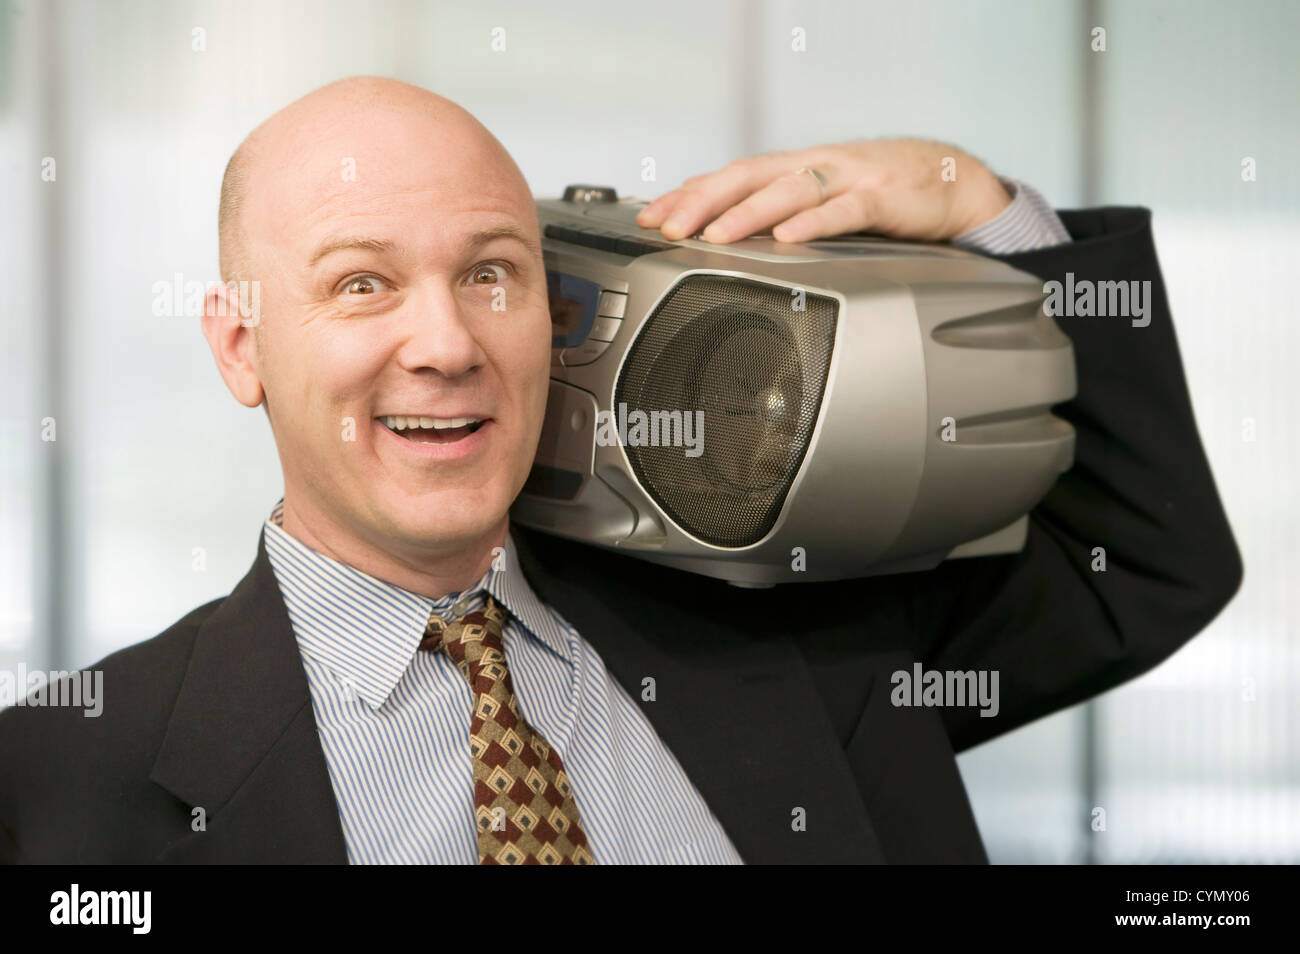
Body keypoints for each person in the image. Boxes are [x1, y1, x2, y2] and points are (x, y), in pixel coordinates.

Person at [0, 77, 1241, 864]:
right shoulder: (53, 785)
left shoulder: (787, 618)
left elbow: (1144, 558)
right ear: (240, 346)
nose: (444, 345)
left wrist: (976, 203)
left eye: (491, 272)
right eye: (360, 283)